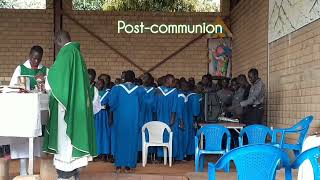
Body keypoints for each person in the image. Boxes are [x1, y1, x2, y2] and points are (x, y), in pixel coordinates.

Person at [43, 31, 97, 180]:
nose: (57, 47)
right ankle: (73, 173)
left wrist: (45, 78)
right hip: (75, 105)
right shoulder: (77, 53)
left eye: (56, 43)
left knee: (65, 140)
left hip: (66, 108)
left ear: (59, 40)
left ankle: (65, 175)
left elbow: (55, 79)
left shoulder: (66, 53)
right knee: (70, 141)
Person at [9, 45, 48, 175]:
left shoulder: (45, 70)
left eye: (38, 59)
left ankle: (33, 171)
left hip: (38, 112)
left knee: (35, 141)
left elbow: (49, 90)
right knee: (22, 140)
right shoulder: (20, 69)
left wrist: (43, 85)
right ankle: (23, 171)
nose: (35, 61)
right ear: (29, 55)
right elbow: (12, 87)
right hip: (23, 111)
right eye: (33, 58)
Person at [108, 70, 144, 172]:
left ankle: (119, 165)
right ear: (133, 79)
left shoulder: (116, 89)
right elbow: (142, 105)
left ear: (123, 78)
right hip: (133, 119)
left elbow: (111, 104)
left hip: (120, 119)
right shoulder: (139, 90)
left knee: (120, 140)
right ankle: (129, 165)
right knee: (132, 140)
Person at [155, 74, 179, 160]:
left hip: (164, 116)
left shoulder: (159, 90)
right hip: (167, 116)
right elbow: (174, 106)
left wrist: (172, 118)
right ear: (167, 81)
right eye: (172, 81)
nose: (174, 83)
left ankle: (168, 156)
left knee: (166, 135)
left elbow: (174, 106)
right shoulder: (159, 90)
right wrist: (172, 118)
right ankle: (164, 156)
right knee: (164, 135)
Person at [139, 73, 156, 161]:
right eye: (143, 77)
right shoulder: (138, 89)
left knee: (149, 133)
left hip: (149, 115)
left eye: (146, 78)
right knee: (139, 133)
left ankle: (149, 154)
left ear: (150, 79)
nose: (144, 79)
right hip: (140, 114)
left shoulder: (154, 91)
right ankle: (139, 153)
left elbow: (154, 104)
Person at [94, 79, 111, 162]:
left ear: (103, 85)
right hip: (94, 115)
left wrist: (106, 106)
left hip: (103, 115)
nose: (98, 85)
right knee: (95, 134)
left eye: (100, 84)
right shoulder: (93, 92)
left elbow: (110, 104)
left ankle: (104, 154)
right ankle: (96, 153)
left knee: (103, 133)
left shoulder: (107, 93)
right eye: (97, 83)